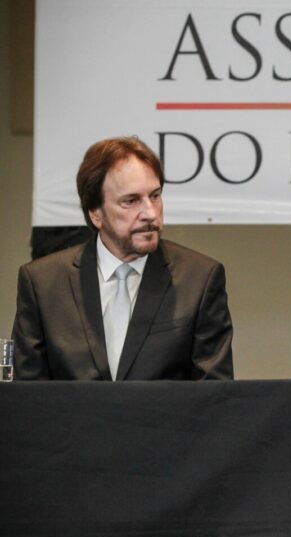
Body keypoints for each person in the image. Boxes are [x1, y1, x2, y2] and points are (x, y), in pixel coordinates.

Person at [12, 136, 234, 380]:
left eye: (155, 196)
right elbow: (29, 399)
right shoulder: (42, 284)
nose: (150, 213)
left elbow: (213, 398)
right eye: (131, 201)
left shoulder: (200, 279)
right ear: (96, 214)